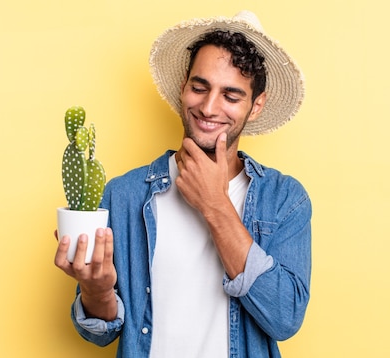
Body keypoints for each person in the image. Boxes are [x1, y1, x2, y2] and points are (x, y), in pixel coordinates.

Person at [55, 10, 312, 358]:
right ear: (183, 87)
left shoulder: (284, 199)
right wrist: (96, 291)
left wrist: (215, 204)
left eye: (231, 96)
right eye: (199, 87)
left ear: (255, 106)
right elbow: (102, 333)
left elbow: (284, 318)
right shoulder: (125, 195)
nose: (208, 107)